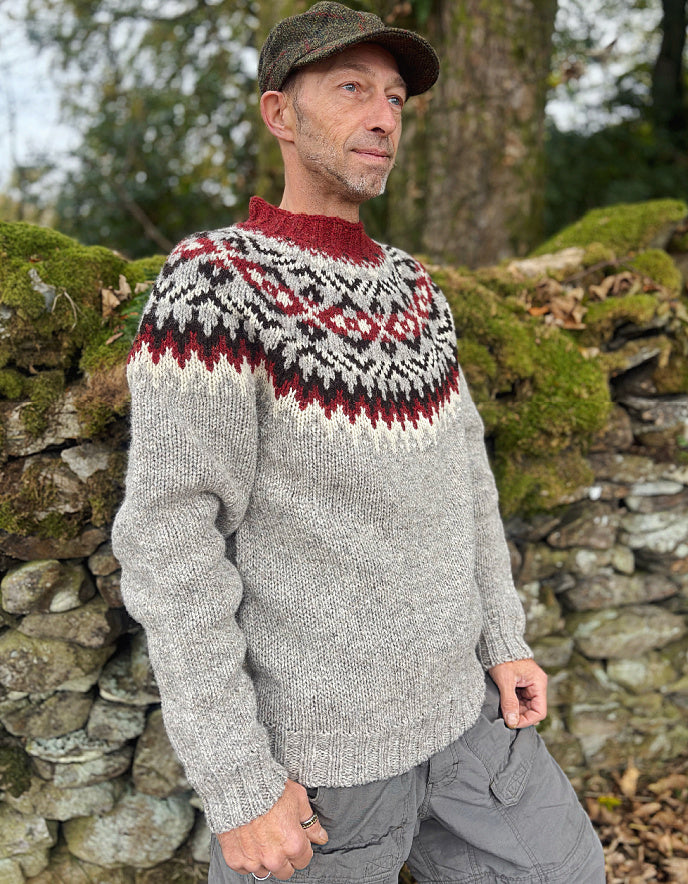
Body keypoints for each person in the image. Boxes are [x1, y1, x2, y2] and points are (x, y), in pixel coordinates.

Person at [112, 3, 606, 882]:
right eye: (350, 89)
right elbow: (171, 545)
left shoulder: (417, 288)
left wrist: (504, 638)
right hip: (325, 773)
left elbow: (468, 481)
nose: (382, 116)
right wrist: (237, 785)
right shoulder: (214, 286)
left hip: (474, 732)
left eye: (394, 99)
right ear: (280, 115)